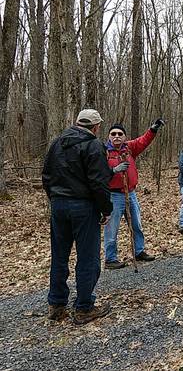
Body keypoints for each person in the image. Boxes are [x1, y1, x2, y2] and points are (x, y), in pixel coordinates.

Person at [42, 109, 113, 325]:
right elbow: (99, 182)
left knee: (59, 255)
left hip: (58, 205)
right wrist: (106, 209)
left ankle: (56, 304)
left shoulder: (57, 143)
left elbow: (46, 175)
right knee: (88, 257)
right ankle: (84, 307)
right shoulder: (93, 145)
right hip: (83, 206)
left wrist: (54, 199)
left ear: (77, 122)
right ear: (96, 126)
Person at [103, 118, 165, 269]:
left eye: (120, 134)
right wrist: (114, 170)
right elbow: (98, 173)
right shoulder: (103, 151)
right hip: (114, 195)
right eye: (113, 134)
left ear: (124, 136)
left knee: (136, 224)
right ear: (109, 136)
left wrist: (153, 129)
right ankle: (110, 259)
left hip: (130, 193)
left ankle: (139, 251)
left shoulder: (129, 148)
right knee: (112, 228)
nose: (116, 136)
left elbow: (143, 141)